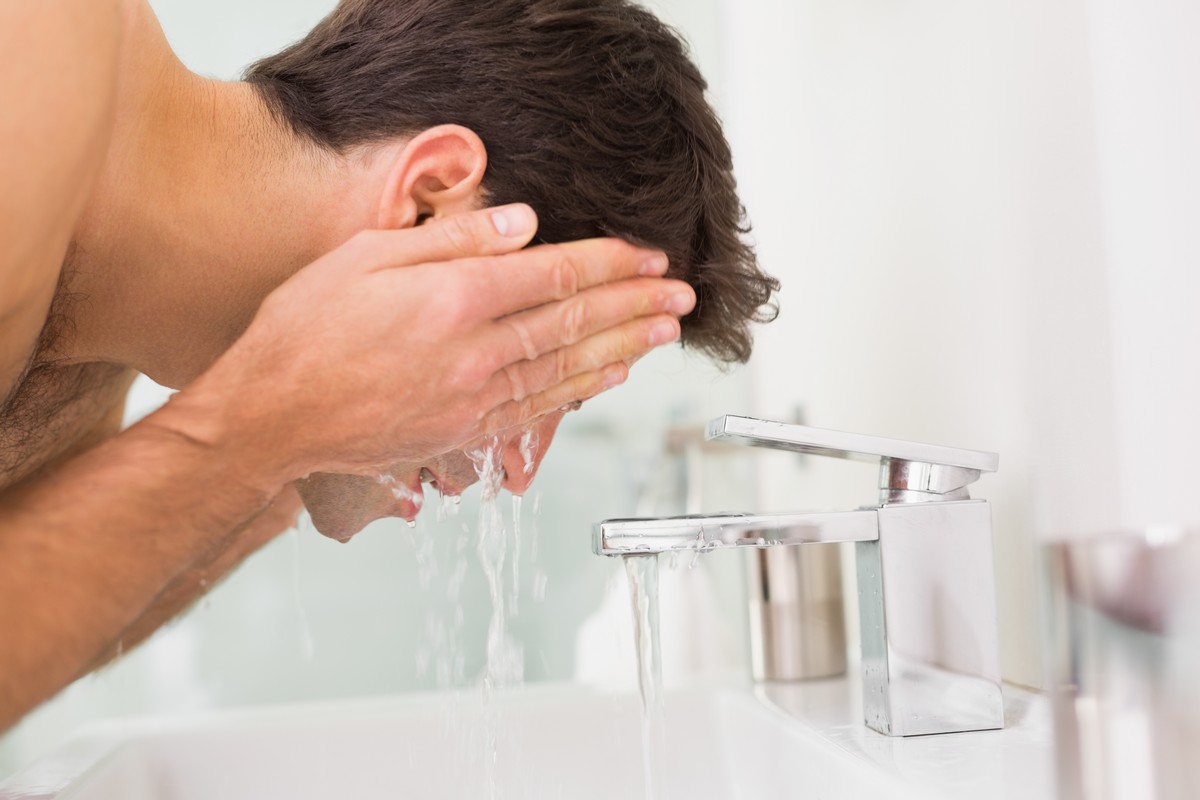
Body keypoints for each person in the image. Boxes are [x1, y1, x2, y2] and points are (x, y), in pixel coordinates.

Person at [0, 0, 777, 731]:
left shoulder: (104, 335)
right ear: (429, 202)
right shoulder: (32, 62)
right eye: (542, 365)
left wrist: (298, 440)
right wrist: (268, 423)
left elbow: (36, 620)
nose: (517, 470)